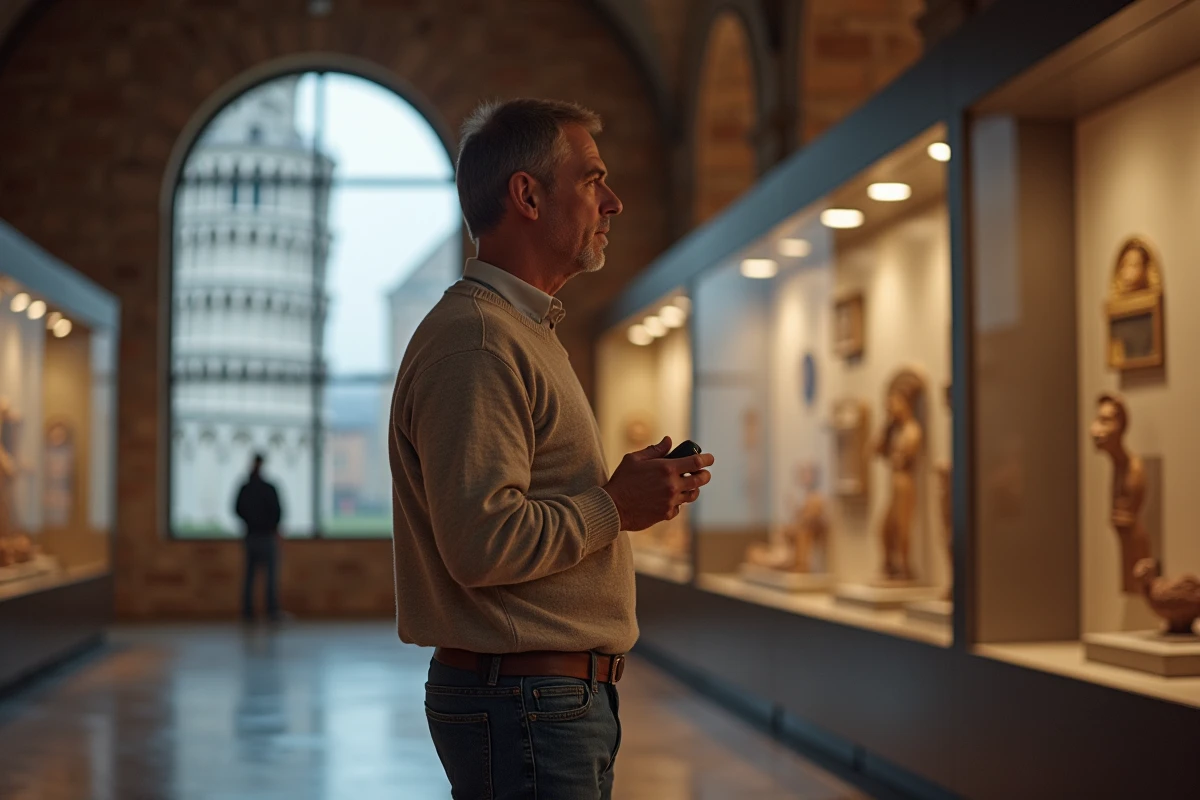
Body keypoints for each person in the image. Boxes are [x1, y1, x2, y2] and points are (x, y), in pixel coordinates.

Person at [389, 98, 715, 799]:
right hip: (526, 702)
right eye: (593, 179)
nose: (615, 202)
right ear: (528, 195)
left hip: (543, 698)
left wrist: (623, 493)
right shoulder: (477, 340)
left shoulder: (520, 332)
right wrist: (612, 506)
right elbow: (482, 541)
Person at [234, 453, 282, 622]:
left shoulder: (246, 488)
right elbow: (277, 511)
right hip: (264, 536)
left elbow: (237, 509)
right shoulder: (267, 488)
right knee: (268, 576)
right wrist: (271, 526)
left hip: (252, 535)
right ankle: (270, 611)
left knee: (250, 575)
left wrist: (250, 522)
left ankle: (249, 612)